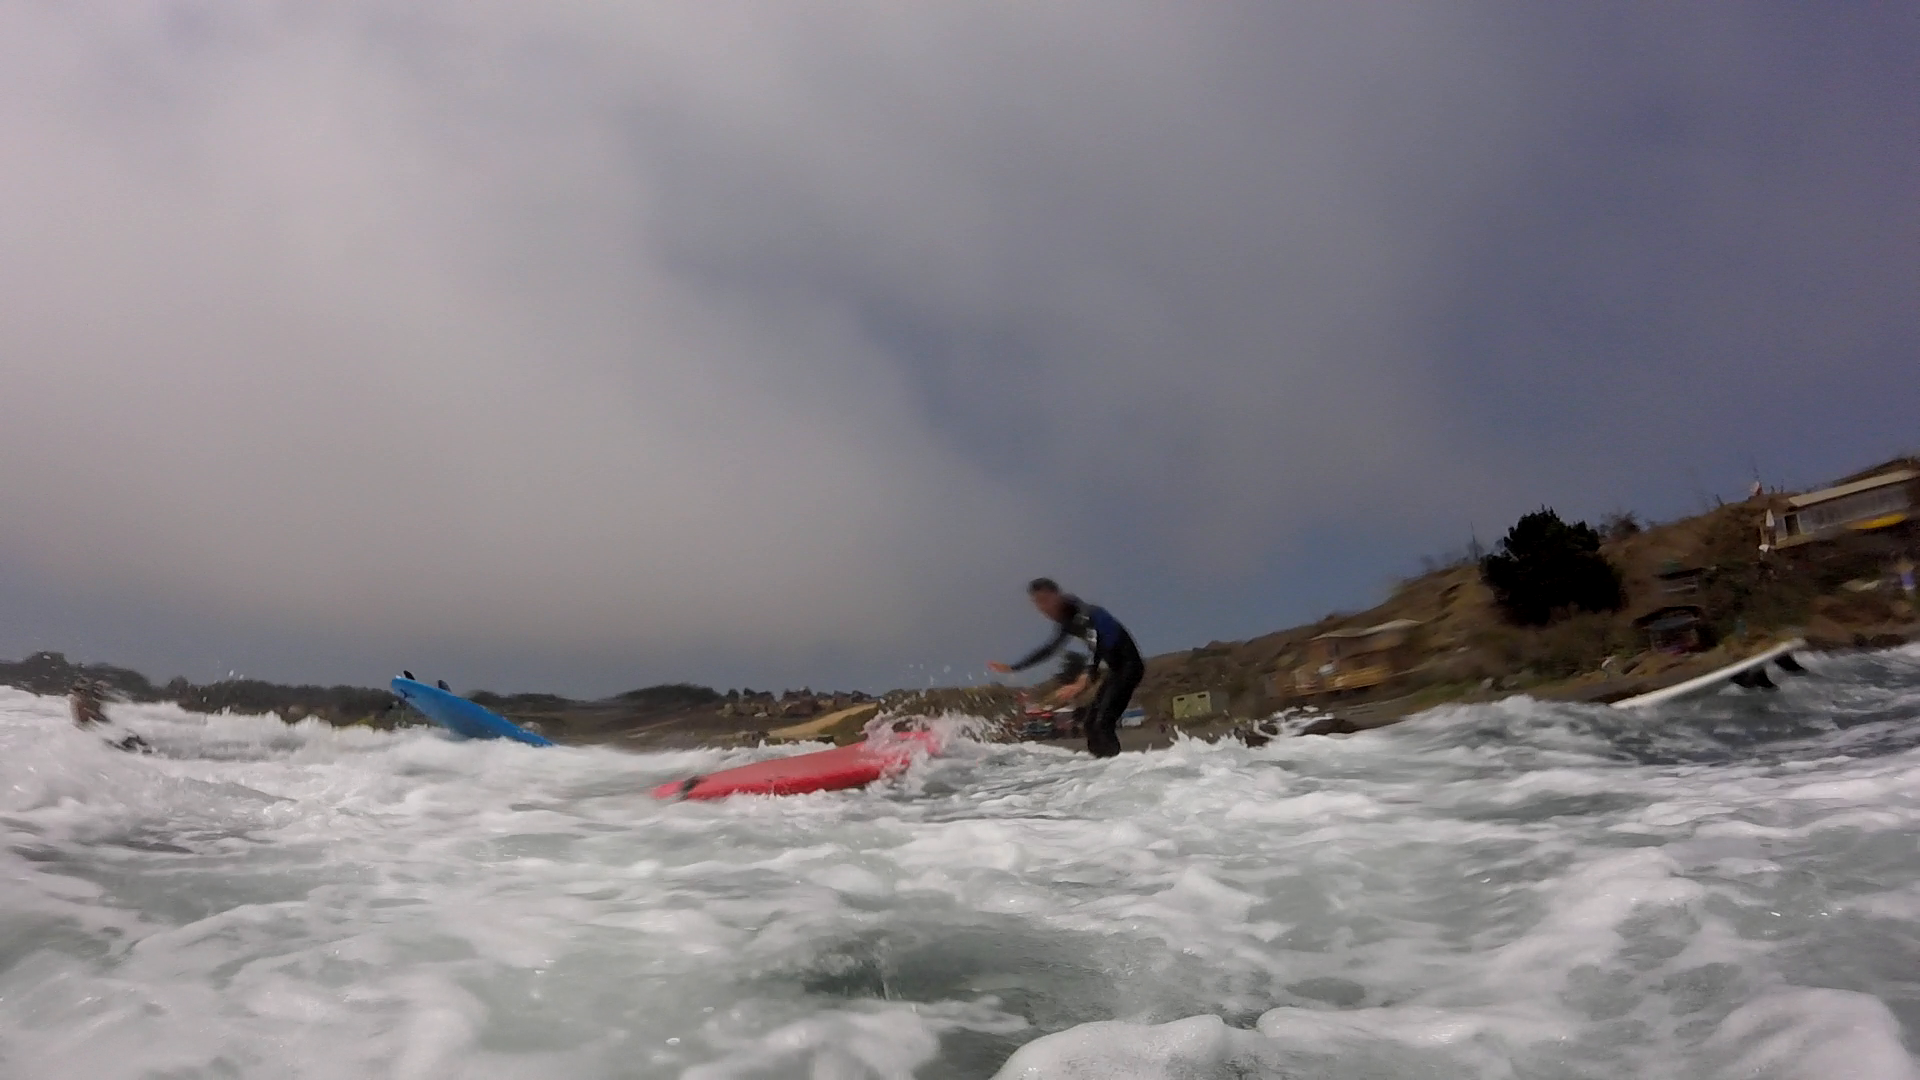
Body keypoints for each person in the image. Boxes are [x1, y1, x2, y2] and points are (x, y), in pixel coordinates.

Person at [990, 578, 1143, 758]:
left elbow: (1101, 642)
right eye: (1037, 604)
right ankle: (1105, 767)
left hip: (1129, 668)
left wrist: (1084, 678)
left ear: (1057, 596)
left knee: (1102, 724)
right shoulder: (1068, 621)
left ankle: (1119, 768)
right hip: (1116, 671)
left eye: (1044, 601)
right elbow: (1050, 649)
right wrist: (1014, 667)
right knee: (1090, 724)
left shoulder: (1088, 613)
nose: (1042, 609)